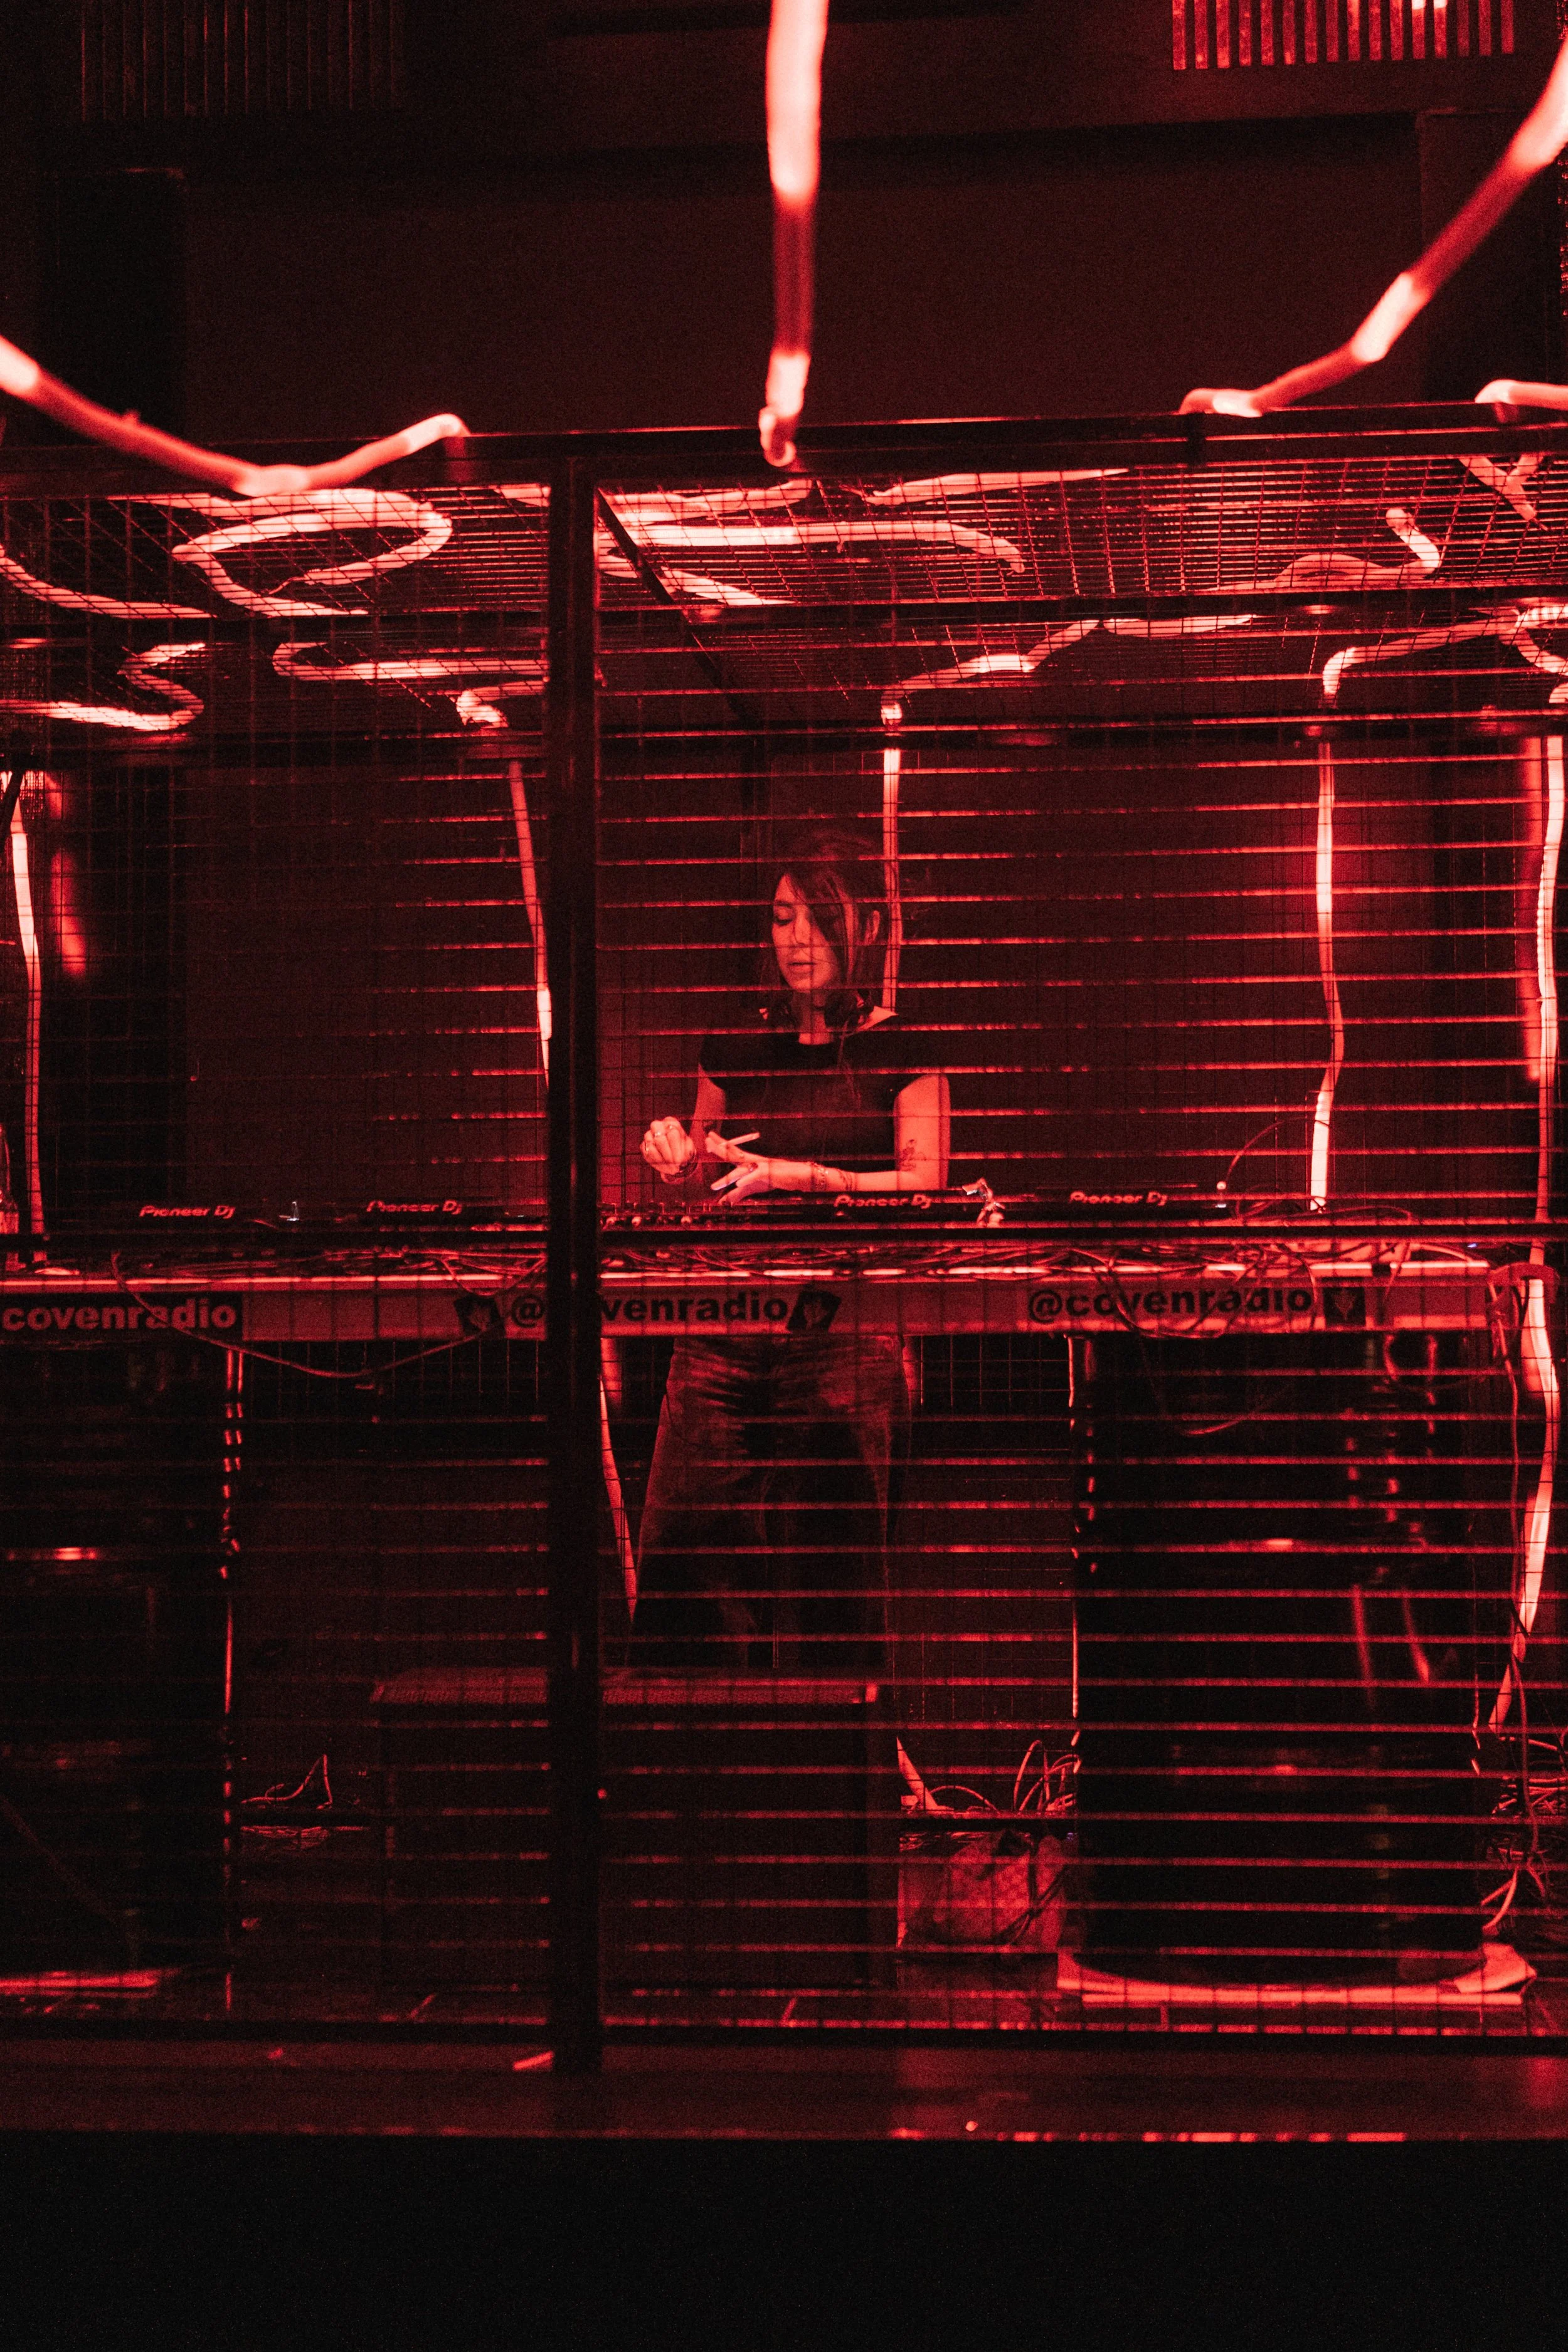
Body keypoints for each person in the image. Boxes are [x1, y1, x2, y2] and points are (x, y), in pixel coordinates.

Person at [633, 823, 950, 1674]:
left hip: (849, 1329)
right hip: (726, 1325)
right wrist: (673, 1156)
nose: (799, 939)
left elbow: (924, 1184)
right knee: (688, 1559)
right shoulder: (735, 1039)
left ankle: (835, 1781)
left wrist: (803, 1175)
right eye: (782, 917)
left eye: (820, 916)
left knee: (834, 1571)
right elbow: (706, 1179)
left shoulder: (903, 1045)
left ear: (869, 927)